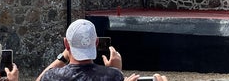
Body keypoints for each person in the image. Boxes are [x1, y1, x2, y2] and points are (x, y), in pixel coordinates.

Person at [36, 19, 168, 81]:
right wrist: (116, 71)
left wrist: (63, 57)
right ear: (96, 42)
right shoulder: (112, 76)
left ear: (66, 43)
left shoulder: (51, 76)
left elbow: (40, 79)